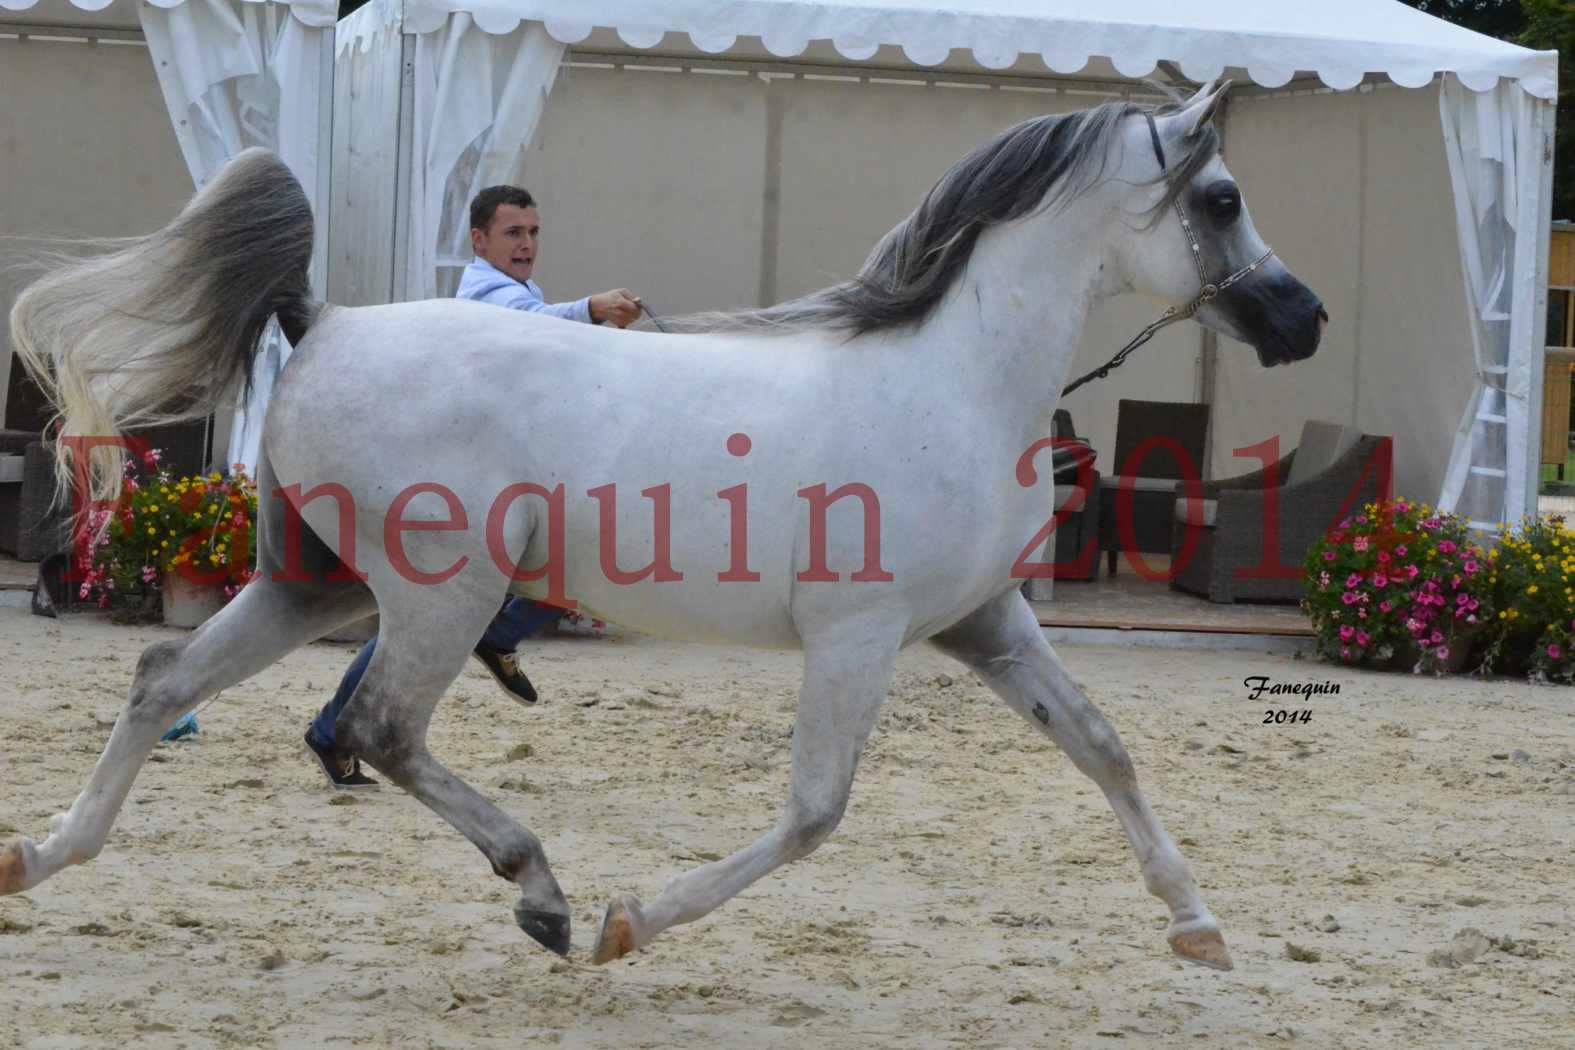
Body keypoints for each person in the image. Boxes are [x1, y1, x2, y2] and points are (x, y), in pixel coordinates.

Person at [305, 185, 642, 789]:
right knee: (431, 617)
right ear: (480, 241)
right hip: (458, 488)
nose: (528, 245)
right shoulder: (487, 294)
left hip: (484, 481)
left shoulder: (517, 290)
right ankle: (492, 638)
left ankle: (340, 727)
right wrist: (589, 310)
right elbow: (533, 327)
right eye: (515, 233)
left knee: (425, 619)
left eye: (534, 232)